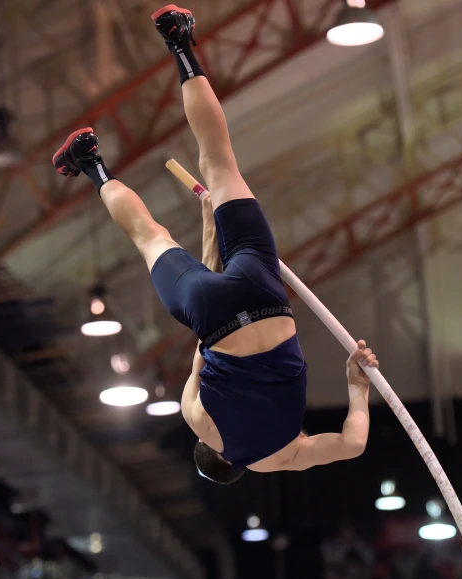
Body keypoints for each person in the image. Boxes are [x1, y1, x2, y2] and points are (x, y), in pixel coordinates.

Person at [52, 5, 379, 483]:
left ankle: (179, 41)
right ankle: (89, 163)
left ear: (236, 467)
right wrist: (208, 232)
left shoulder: (283, 456)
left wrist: (357, 385)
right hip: (214, 314)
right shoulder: (198, 421)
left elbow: (352, 444)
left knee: (222, 167)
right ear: (208, 451)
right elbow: (206, 343)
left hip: (268, 302)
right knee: (151, 236)